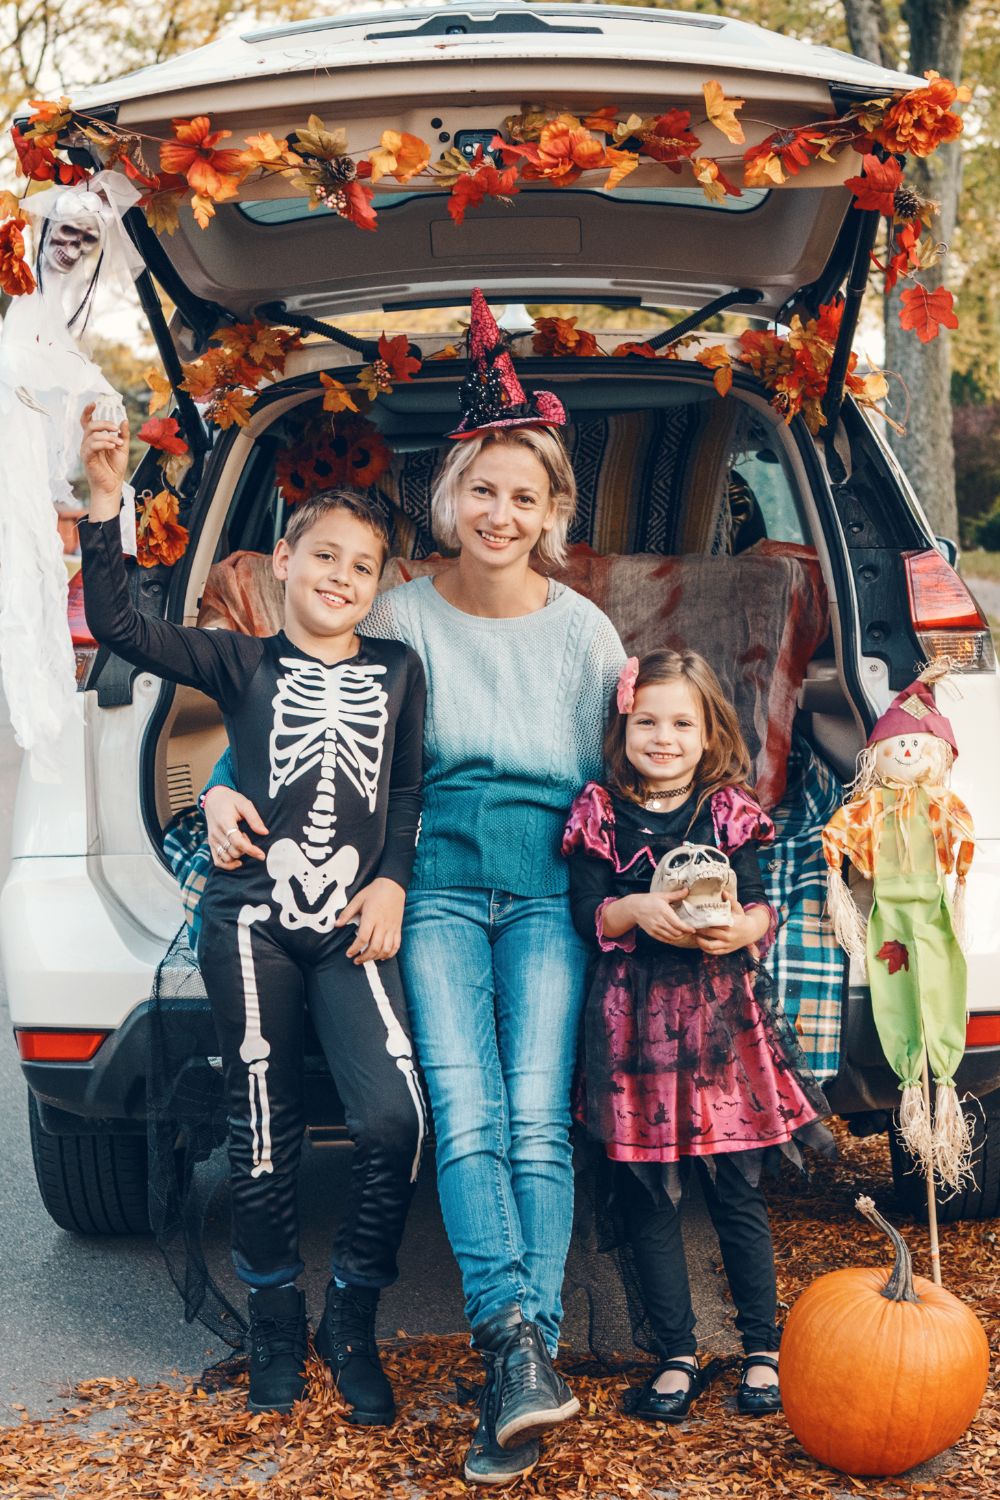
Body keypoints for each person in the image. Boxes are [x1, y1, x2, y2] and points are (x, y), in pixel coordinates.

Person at [201, 289, 626, 1482]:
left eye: (525, 496)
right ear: (449, 498)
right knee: (466, 1113)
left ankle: (520, 1351)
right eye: (481, 489)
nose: (500, 512)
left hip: (546, 894)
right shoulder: (392, 614)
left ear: (551, 514)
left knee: (538, 1118)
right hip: (423, 887)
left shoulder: (589, 638)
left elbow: (622, 786)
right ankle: (508, 1334)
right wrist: (221, 793)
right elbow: (295, 714)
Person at [78, 405, 428, 1424]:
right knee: (263, 1126)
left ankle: (350, 1316)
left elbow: (403, 794)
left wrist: (393, 879)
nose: (342, 578)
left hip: (352, 926)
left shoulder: (399, 673)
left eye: (363, 567)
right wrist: (108, 508)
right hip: (251, 922)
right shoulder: (242, 663)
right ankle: (276, 1320)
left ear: (380, 584)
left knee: (391, 1117)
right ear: (282, 560)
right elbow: (121, 629)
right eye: (324, 555)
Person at [562, 649, 831, 1422]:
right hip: (633, 1032)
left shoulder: (726, 811)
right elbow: (588, 913)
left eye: (682, 722)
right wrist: (633, 911)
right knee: (649, 1196)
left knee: (736, 1191)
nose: (664, 736)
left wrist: (742, 928)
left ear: (709, 730)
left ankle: (760, 1348)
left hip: (719, 1030)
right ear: (623, 728)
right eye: (647, 720)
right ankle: (675, 1354)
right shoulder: (600, 811)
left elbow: (756, 905)